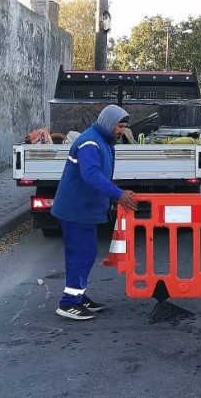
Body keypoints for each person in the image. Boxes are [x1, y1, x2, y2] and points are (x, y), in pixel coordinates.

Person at [51, 104, 138, 320]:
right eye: (119, 126)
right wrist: (117, 194)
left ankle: (78, 296)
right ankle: (68, 302)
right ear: (108, 123)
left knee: (85, 253)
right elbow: (91, 175)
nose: (122, 130)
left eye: (124, 127)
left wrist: (116, 193)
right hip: (76, 210)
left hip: (83, 210)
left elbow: (100, 177)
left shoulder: (102, 140)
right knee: (80, 253)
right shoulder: (90, 142)